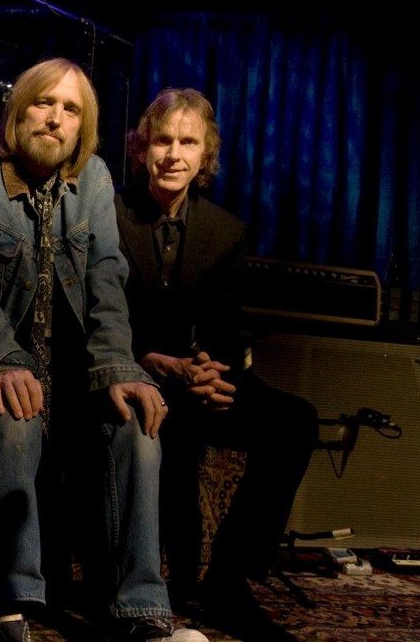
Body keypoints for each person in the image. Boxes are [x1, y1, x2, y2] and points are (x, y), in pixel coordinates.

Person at [0, 58, 207, 642]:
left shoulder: (96, 179)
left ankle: (142, 610)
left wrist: (119, 368)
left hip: (77, 376)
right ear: (18, 109)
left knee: (138, 420)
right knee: (16, 414)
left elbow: (107, 280)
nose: (55, 118)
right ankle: (11, 609)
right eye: (43, 103)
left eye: (71, 109)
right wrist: (5, 360)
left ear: (84, 126)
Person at [115, 87, 317, 642]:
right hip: (130, 371)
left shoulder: (226, 230)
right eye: (162, 141)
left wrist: (212, 369)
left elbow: (227, 325)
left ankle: (229, 579)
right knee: (170, 427)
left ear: (206, 154)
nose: (173, 154)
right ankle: (160, 584)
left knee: (295, 420)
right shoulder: (107, 214)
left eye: (188, 142)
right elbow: (90, 315)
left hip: (197, 376)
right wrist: (151, 360)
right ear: (141, 149)